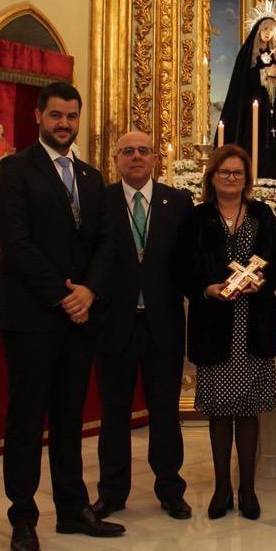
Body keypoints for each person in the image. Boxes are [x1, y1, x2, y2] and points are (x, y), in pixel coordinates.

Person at [0, 81, 123, 551]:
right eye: (56, 116)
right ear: (38, 117)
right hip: (30, 315)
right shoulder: (15, 169)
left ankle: (71, 508)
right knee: (26, 418)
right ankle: (22, 517)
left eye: (71, 116)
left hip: (79, 317)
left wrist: (90, 290)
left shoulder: (90, 178)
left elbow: (108, 243)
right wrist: (64, 295)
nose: (64, 124)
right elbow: (16, 242)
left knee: (70, 417)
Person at [178, 145, 276, 520]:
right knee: (218, 412)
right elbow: (181, 265)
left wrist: (262, 282)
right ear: (211, 176)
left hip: (253, 323)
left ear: (246, 180)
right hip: (214, 324)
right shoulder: (197, 217)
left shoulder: (261, 214)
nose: (231, 178)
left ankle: (247, 488)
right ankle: (221, 489)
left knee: (247, 411)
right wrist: (205, 288)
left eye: (238, 173)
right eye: (224, 172)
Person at [90, 132, 194, 522]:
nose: (136, 157)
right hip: (113, 324)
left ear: (155, 159)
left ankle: (170, 488)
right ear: (116, 159)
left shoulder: (178, 202)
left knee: (165, 411)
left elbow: (189, 260)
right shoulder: (100, 201)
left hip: (163, 323)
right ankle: (112, 493)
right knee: (114, 413)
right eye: (127, 151)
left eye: (143, 151)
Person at [216, 9, 276, 179]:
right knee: (253, 141)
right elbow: (242, 83)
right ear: (258, 30)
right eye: (265, 29)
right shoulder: (248, 55)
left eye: (271, 30)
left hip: (274, 110)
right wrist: (263, 74)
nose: (268, 33)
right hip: (252, 111)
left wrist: (275, 75)